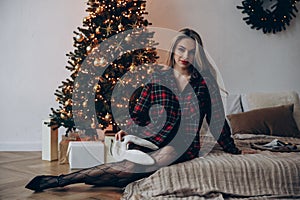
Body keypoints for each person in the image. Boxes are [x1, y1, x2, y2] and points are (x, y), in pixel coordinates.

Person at [25, 28, 241, 192]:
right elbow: (138, 112)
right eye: (181, 49)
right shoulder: (158, 77)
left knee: (163, 154)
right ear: (174, 49)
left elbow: (217, 121)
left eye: (192, 52)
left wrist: (233, 149)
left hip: (183, 144)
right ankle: (68, 180)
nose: (185, 56)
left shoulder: (204, 84)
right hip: (153, 139)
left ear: (198, 55)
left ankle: (62, 181)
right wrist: (127, 130)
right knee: (128, 167)